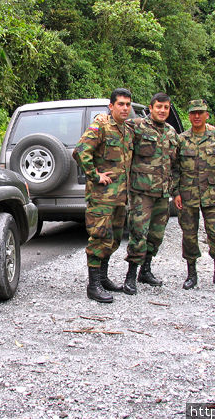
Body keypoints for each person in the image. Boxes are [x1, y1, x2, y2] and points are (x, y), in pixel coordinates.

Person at [72, 88, 134, 303]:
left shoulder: (126, 130)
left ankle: (104, 277)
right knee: (99, 237)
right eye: (120, 104)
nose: (125, 108)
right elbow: (80, 150)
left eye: (128, 104)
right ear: (111, 106)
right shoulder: (101, 126)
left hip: (119, 197)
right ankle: (93, 285)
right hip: (101, 197)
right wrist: (94, 175)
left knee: (113, 239)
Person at [173, 99, 215, 291]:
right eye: (193, 113)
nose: (196, 116)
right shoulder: (181, 139)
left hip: (212, 195)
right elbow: (175, 169)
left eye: (200, 113)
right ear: (189, 116)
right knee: (189, 236)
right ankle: (191, 275)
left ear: (206, 115)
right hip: (188, 195)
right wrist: (176, 192)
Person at [122, 92, 179, 294]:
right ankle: (130, 276)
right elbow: (116, 126)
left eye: (166, 108)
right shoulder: (137, 126)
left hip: (163, 194)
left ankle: (145, 271)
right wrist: (102, 118)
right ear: (151, 108)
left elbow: (177, 164)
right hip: (141, 193)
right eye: (159, 107)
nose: (163, 111)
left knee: (156, 235)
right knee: (138, 234)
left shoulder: (172, 133)